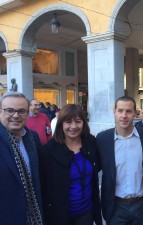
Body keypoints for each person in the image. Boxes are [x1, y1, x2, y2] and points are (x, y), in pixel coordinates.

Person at [39, 104, 102, 225]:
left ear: (83, 123)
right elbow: (43, 185)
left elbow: (96, 168)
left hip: (86, 213)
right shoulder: (48, 150)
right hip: (59, 214)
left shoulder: (91, 142)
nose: (73, 126)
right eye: (68, 122)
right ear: (61, 124)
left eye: (78, 121)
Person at [96, 96, 143, 225]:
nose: (124, 115)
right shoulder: (103, 139)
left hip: (142, 206)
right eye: (120, 111)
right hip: (115, 206)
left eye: (128, 111)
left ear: (135, 113)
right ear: (114, 112)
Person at [0, 91, 43, 224]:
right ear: (1, 111)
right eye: (10, 110)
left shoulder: (33, 138)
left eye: (21, 111)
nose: (16, 115)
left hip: (34, 215)